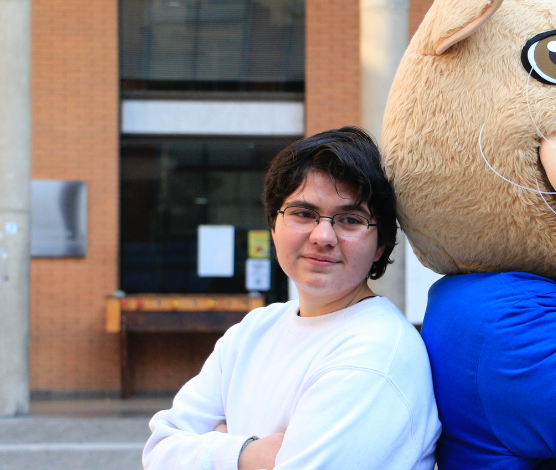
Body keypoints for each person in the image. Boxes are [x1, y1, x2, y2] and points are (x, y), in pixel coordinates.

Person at [143, 127, 441, 470]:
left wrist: (211, 445)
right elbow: (158, 451)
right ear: (273, 226)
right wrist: (246, 455)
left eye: (350, 220)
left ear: (381, 246)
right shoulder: (253, 330)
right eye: (303, 213)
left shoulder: (374, 352)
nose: (323, 236)